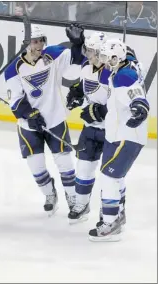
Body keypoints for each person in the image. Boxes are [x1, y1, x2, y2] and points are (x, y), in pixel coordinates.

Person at [4, 24, 85, 216]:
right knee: (37, 167)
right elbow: (15, 100)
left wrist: (78, 42)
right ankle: (50, 194)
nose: (39, 44)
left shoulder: (52, 55)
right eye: (34, 41)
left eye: (41, 40)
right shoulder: (13, 69)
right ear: (26, 43)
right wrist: (29, 114)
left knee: (65, 163)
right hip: (29, 126)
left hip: (55, 119)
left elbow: (77, 58)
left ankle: (73, 199)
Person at [66, 33, 145, 227]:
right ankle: (82, 205)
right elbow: (88, 91)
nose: (89, 55)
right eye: (88, 50)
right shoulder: (87, 67)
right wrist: (78, 94)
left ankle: (115, 210)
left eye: (93, 51)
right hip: (91, 128)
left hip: (112, 131)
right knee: (84, 168)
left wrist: (100, 110)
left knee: (113, 175)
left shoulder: (116, 72)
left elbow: (127, 97)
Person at [88, 38, 149, 242]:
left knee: (109, 177)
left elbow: (138, 97)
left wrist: (139, 109)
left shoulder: (126, 75)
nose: (103, 61)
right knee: (116, 177)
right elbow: (104, 77)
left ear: (117, 58)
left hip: (129, 136)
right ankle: (117, 214)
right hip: (115, 134)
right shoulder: (117, 72)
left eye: (107, 57)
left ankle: (110, 222)